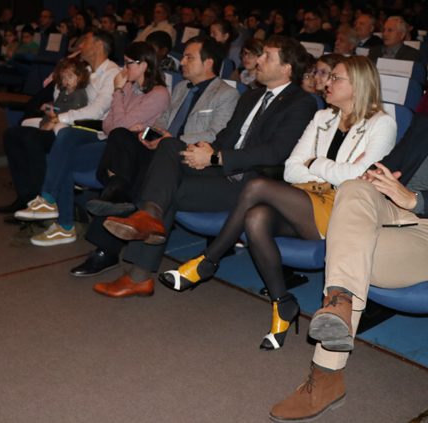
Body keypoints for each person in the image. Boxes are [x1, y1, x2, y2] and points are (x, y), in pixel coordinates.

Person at [269, 60, 428, 423]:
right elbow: (385, 170)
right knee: (355, 187)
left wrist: (417, 200)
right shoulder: (425, 124)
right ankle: (339, 304)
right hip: (390, 208)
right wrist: (376, 179)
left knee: (347, 255)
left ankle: (326, 374)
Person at [160, 56, 397, 352]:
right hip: (304, 198)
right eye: (328, 76)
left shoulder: (382, 124)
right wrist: (327, 170)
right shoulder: (322, 118)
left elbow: (355, 178)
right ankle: (282, 303)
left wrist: (315, 163)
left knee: (257, 186)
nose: (326, 82)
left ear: (359, 85)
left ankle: (208, 261)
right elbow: (291, 169)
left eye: (335, 77)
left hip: (343, 208)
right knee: (256, 217)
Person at [86, 36, 318, 298]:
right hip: (221, 169)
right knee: (169, 147)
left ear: (287, 67)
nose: (258, 61)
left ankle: (139, 271)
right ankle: (149, 216)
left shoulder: (301, 102)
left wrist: (216, 158)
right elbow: (226, 137)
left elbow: (275, 152)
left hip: (251, 183)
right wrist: (206, 150)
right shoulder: (251, 96)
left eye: (267, 56)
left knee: (166, 189)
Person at [71, 35, 240, 276]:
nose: (182, 62)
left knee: (132, 172)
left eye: (189, 57)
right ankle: (118, 194)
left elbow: (215, 134)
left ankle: (106, 245)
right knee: (121, 135)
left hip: (186, 156)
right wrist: (148, 133)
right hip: (161, 147)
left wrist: (171, 140)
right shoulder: (181, 88)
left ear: (208, 63)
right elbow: (164, 120)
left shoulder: (226, 94)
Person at [15, 43, 170, 246]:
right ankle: (49, 202)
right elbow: (108, 124)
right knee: (67, 136)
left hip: (127, 152)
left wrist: (117, 91)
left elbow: (119, 127)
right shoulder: (130, 87)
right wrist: (120, 114)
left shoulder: (158, 94)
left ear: (144, 65)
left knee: (63, 159)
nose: (123, 69)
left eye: (128, 63)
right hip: (109, 140)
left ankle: (64, 224)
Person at [0, 29, 120, 217]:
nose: (80, 45)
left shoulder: (112, 73)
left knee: (33, 140)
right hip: (68, 123)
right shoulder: (84, 70)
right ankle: (25, 198)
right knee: (11, 135)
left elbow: (98, 110)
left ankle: (41, 201)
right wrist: (64, 70)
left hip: (88, 130)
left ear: (98, 45)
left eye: (85, 41)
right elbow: (59, 96)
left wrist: (58, 118)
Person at [37, 58, 90, 132]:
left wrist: (54, 115)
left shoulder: (79, 94)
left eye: (70, 76)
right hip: (53, 119)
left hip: (66, 124)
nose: (66, 80)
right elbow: (58, 104)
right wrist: (48, 105)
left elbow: (74, 114)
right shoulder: (63, 92)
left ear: (80, 77)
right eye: (63, 77)